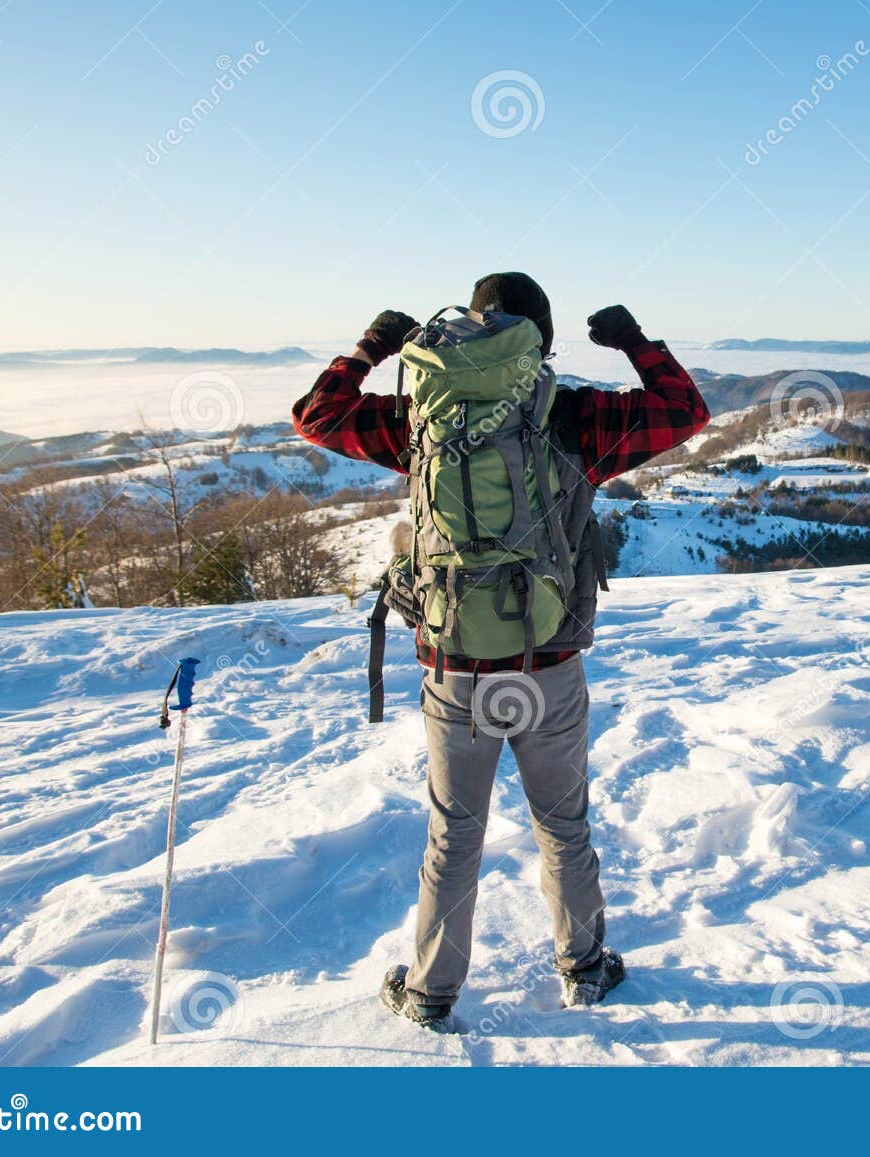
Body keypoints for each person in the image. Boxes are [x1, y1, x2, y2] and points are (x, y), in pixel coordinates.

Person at [291, 272, 710, 1029]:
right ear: (542, 341)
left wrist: (373, 347)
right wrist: (633, 342)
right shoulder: (578, 417)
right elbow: (686, 410)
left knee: (453, 834)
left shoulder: (423, 417)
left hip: (453, 668)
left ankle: (430, 991)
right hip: (547, 666)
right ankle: (583, 967)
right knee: (563, 823)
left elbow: (317, 416)